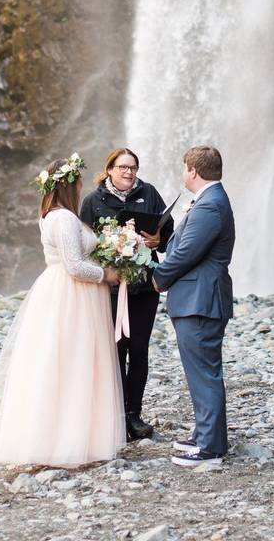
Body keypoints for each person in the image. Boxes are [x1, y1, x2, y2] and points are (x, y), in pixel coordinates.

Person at [0, 153, 126, 467]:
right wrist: (106, 274)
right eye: (80, 182)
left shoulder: (51, 215)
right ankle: (68, 440)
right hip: (72, 295)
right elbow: (74, 266)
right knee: (74, 362)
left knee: (62, 361)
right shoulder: (65, 219)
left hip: (63, 292)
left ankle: (67, 435)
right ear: (70, 186)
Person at [80, 148, 175, 441]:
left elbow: (167, 235)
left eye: (133, 167)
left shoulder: (149, 193)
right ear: (109, 169)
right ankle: (115, 415)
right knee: (115, 350)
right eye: (122, 167)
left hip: (144, 286)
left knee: (140, 350)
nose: (129, 172)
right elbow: (83, 243)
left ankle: (134, 414)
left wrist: (159, 239)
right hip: (110, 288)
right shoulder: (94, 201)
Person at [152, 146, 235, 468]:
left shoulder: (210, 205)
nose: (183, 174)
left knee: (204, 373)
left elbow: (187, 251)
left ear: (193, 171)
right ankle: (205, 435)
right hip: (198, 298)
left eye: (184, 168)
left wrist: (159, 277)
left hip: (200, 300)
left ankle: (211, 449)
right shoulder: (210, 202)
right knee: (201, 371)